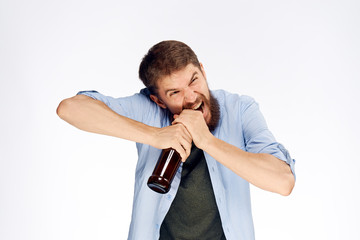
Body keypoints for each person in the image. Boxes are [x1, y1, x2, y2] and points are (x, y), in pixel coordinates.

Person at [57, 40, 295, 240]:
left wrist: (207, 141)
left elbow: (283, 182)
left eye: (194, 80)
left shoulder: (240, 109)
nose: (191, 97)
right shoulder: (149, 110)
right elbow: (70, 109)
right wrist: (154, 135)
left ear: (202, 70)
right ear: (159, 100)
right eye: (175, 93)